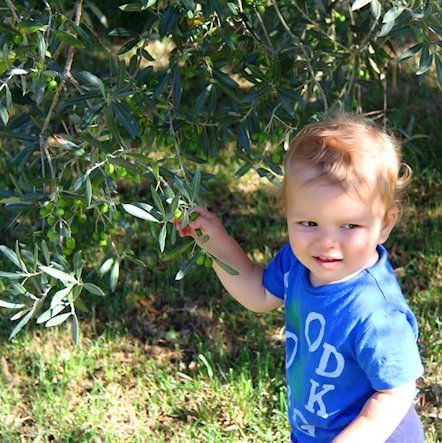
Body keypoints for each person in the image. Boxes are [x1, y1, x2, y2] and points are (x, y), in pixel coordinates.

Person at [176, 115, 424, 442]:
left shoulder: (377, 312)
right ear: (288, 212)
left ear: (385, 225)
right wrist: (216, 243)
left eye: (349, 225)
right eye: (308, 222)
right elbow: (259, 295)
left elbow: (396, 393)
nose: (326, 241)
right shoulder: (298, 262)